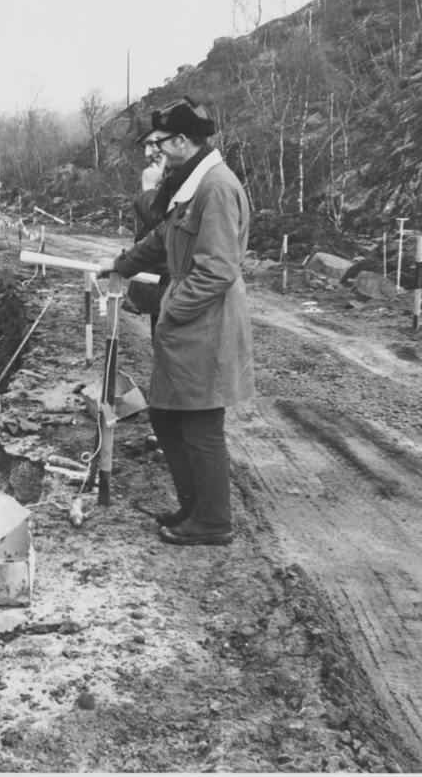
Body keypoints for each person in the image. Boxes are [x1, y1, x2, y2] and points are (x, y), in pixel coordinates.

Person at [96, 98, 255, 547]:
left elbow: (219, 269)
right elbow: (163, 238)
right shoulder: (190, 183)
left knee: (201, 425)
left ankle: (213, 521)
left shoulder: (216, 188)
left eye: (161, 143)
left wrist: (171, 308)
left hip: (205, 322)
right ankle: (195, 505)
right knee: (166, 417)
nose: (157, 152)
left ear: (183, 141)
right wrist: (120, 265)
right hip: (190, 321)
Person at [124, 129, 172, 337]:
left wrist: (149, 189)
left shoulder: (187, 182)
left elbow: (164, 229)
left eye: (153, 143)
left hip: (177, 290)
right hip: (161, 286)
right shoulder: (168, 179)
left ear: (179, 139)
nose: (147, 153)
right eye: (146, 145)